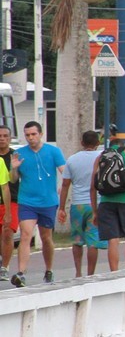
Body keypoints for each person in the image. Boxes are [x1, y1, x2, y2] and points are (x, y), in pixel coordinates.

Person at [10, 121, 66, 286]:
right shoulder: (19, 154)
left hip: (48, 201)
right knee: (26, 234)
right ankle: (21, 273)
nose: (30, 138)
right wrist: (14, 168)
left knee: (46, 237)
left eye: (33, 134)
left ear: (41, 134)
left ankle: (49, 270)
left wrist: (63, 188)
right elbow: (13, 179)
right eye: (27, 135)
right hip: (27, 201)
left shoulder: (53, 151)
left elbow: (65, 171)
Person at [91, 131, 125, 272]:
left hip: (106, 201)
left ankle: (114, 273)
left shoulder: (100, 156)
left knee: (112, 239)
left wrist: (95, 211)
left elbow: (93, 186)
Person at [57, 131, 106, 277]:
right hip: (96, 203)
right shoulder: (102, 157)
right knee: (93, 240)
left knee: (77, 239)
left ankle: (78, 272)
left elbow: (65, 185)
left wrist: (62, 208)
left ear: (82, 143)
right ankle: (90, 273)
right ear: (98, 143)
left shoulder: (72, 159)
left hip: (77, 204)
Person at [0, 125, 19, 281]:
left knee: (8, 232)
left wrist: (14, 168)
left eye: (5, 136)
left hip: (12, 200)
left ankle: (4, 267)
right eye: (0, 136)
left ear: (10, 138)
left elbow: (13, 180)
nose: (2, 138)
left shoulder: (14, 156)